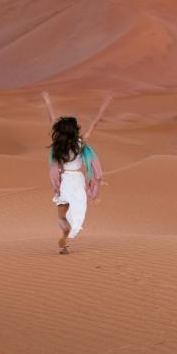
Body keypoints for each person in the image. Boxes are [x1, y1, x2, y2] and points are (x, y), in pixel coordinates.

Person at [43, 90, 113, 254]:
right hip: (78, 180)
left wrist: (47, 101)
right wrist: (104, 105)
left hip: (65, 180)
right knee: (76, 209)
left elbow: (52, 120)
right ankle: (66, 238)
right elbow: (94, 124)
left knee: (61, 215)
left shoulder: (58, 145)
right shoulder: (80, 143)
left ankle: (64, 236)